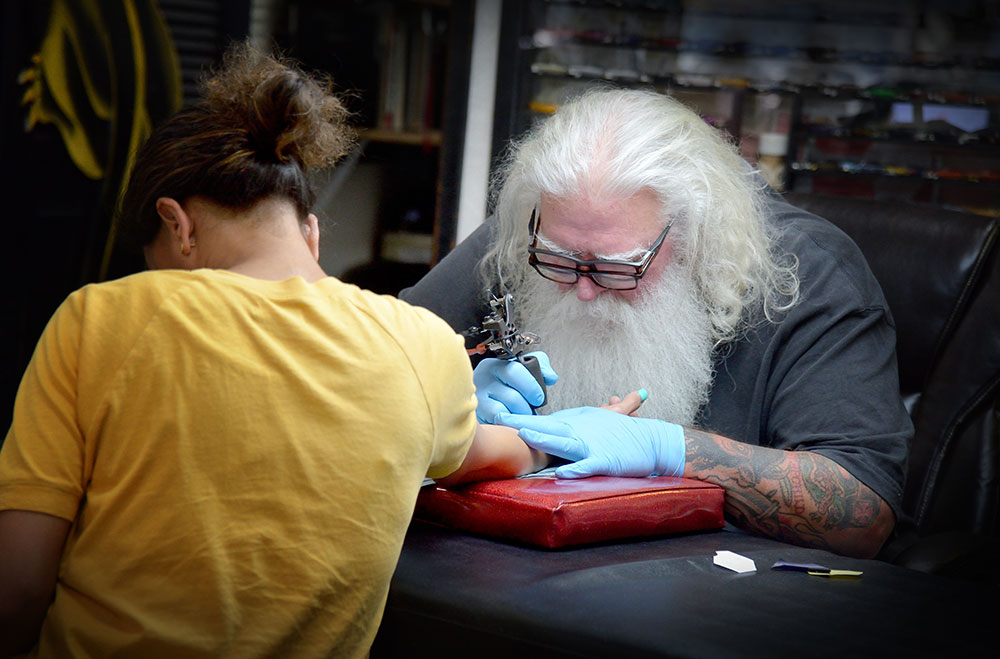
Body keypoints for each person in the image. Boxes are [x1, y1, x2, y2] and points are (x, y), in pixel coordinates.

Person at [0, 43, 625, 657]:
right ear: (312, 232)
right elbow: (504, 453)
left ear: (177, 225)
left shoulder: (99, 319)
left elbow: (17, 592)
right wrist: (586, 430)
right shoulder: (422, 345)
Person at [400, 87, 913, 559]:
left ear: (696, 232)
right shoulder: (538, 232)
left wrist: (670, 451)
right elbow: (380, 368)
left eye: (617, 269)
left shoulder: (815, 274)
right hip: (518, 560)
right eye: (558, 263)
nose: (584, 288)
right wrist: (454, 391)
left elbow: (864, 514)